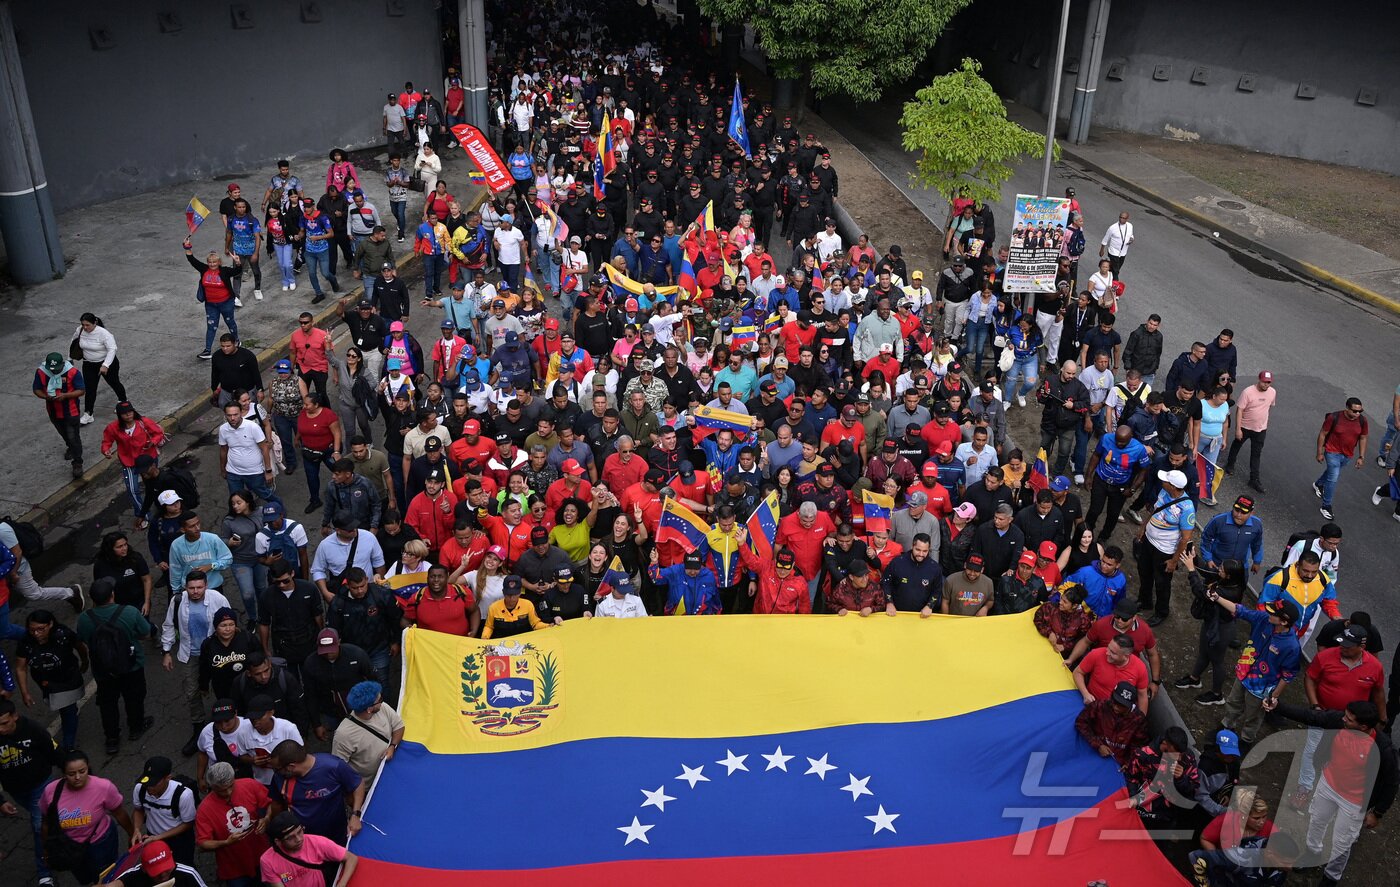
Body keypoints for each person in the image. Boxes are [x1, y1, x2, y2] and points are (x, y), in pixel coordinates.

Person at [1263, 698, 1396, 884]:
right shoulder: (1338, 721)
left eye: (1350, 719)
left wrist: (1378, 813)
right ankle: (1313, 854)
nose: (1344, 720)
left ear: (1364, 727)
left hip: (1354, 802)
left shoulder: (1383, 749)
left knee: (1342, 843)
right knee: (1316, 821)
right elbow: (1311, 716)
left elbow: (1391, 783)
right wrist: (1279, 706)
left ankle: (1331, 876)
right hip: (1328, 785)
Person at [1206, 589, 1301, 746]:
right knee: (1233, 702)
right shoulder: (1265, 619)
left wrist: (1273, 697)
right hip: (1243, 674)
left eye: (1273, 613)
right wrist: (1217, 598)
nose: (1268, 613)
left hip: (1261, 689)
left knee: (1254, 716)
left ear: (1284, 622)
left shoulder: (1292, 647)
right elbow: (1240, 611)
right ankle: (1226, 727)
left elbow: (1288, 675)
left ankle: (1245, 740)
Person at [162, 570, 234, 757]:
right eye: (192, 588)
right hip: (191, 655)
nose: (195, 591)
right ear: (186, 587)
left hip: (216, 653)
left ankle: (228, 724)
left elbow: (229, 621)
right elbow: (169, 625)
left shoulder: (217, 598)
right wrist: (166, 651)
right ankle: (198, 730)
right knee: (192, 692)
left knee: (224, 688)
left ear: (206, 586)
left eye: (199, 587)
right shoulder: (177, 601)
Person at [40, 750, 134, 886]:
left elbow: (119, 813)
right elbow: (45, 823)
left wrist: (132, 834)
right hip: (69, 845)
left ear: (88, 767)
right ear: (63, 774)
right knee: (84, 877)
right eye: (71, 774)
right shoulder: (50, 791)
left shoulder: (104, 787)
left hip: (101, 842)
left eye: (82, 771)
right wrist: (46, 850)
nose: (77, 777)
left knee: (107, 874)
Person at [0, 698, 60, 885]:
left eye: (4, 723)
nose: (0, 729)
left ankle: (45, 874)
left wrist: (74, 769)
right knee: (46, 821)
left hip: (39, 785)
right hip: (17, 791)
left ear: (15, 717)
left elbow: (52, 751)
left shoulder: (32, 729)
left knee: (37, 825)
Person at [1174, 556, 1249, 706]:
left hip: (1221, 629)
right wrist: (1194, 558)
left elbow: (1200, 591)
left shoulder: (1227, 592)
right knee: (1204, 652)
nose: (1218, 570)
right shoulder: (1231, 580)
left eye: (1221, 569)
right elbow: (1210, 571)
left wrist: (1191, 570)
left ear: (1228, 575)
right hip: (1212, 623)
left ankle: (1217, 694)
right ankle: (1194, 678)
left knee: (1216, 661)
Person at [14, 609, 87, 751]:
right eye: (32, 630)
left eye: (41, 629)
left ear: (50, 624)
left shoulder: (63, 635)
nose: (36, 634)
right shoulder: (26, 642)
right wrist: (25, 692)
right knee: (63, 707)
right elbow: (21, 668)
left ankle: (68, 745)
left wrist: (85, 661)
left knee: (68, 711)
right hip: (45, 682)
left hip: (67, 679)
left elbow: (80, 646)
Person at [268, 740, 366, 844]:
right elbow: (276, 804)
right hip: (303, 840)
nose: (276, 773)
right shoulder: (279, 778)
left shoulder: (333, 766)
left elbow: (358, 784)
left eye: (277, 769)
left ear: (291, 767)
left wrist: (355, 815)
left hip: (337, 836)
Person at [195, 760, 271, 887]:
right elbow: (203, 842)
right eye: (222, 790)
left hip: (262, 855)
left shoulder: (250, 784)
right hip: (234, 869)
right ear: (212, 787)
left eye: (231, 786)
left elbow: (269, 803)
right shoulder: (204, 810)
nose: (228, 792)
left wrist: (267, 818)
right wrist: (226, 843)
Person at [1134, 469, 1195, 627]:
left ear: (1173, 487)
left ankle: (1161, 611)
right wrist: (1143, 527)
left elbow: (1185, 538)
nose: (1163, 482)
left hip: (1165, 550)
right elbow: (1155, 511)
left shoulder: (1187, 508)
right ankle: (1144, 600)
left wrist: (1174, 561)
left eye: (1166, 481)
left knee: (1162, 582)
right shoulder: (1163, 492)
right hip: (1149, 540)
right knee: (1144, 570)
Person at [129, 755, 198, 866]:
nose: (149, 788)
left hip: (179, 841)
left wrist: (158, 838)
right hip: (152, 837)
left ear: (168, 778)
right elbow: (138, 810)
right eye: (147, 783)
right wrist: (137, 829)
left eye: (154, 783)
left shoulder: (183, 795)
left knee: (182, 868)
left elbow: (188, 824)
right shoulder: (140, 788)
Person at [259, 810, 359, 887]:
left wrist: (341, 885)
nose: (299, 839)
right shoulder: (267, 861)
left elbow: (351, 858)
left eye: (300, 832)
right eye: (290, 838)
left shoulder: (318, 842)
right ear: (278, 842)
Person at [331, 681, 404, 782]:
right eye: (380, 700)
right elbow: (339, 767)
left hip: (388, 772)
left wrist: (392, 746)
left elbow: (399, 726)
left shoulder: (383, 707)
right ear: (369, 709)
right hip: (366, 786)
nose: (382, 702)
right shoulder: (343, 735)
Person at [182, 239, 240, 359]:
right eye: (210, 262)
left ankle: (236, 342)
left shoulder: (224, 271)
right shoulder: (204, 270)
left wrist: (238, 262)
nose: (212, 264)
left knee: (230, 323)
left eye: (214, 262)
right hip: (211, 304)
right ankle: (207, 350)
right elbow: (192, 260)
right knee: (211, 326)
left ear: (219, 262)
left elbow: (237, 271)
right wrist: (187, 247)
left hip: (226, 303)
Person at [1313, 397, 1368, 521]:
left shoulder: (1362, 421)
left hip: (1347, 454)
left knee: (1332, 472)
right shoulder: (1334, 417)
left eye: (1360, 411)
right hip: (1332, 452)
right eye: (1355, 411)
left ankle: (1318, 484)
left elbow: (1363, 438)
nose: (1357, 414)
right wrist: (1320, 452)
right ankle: (1326, 506)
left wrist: (1361, 456)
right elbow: (1323, 434)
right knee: (1333, 477)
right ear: (1347, 408)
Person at [34, 350, 87, 477]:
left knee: (73, 436)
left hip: (71, 411)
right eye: (52, 369)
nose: (54, 372)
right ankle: (70, 447)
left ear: (62, 365)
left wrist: (66, 395)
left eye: (57, 369)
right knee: (63, 433)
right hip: (53, 411)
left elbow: (81, 390)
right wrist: (46, 397)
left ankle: (77, 462)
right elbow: (36, 389)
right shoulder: (41, 372)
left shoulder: (73, 372)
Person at [1074, 680, 1147, 767]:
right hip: (1093, 755)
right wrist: (1098, 745)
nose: (1116, 707)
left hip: (1118, 765)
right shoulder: (1099, 706)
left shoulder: (1138, 720)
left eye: (1122, 706)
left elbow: (1139, 745)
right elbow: (1080, 722)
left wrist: (1129, 763)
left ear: (1131, 705)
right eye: (1115, 702)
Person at [1225, 371, 1275, 494]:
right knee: (1236, 445)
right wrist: (1238, 429)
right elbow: (1240, 410)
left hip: (1261, 429)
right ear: (1259, 379)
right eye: (1264, 382)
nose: (1266, 385)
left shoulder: (1272, 392)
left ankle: (1254, 479)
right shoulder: (1248, 392)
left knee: (1256, 454)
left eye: (1268, 382)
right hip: (1245, 427)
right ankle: (1230, 464)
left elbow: (1269, 407)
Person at [71, 313, 126, 425]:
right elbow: (73, 342)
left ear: (94, 323)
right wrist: (69, 358)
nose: (85, 327)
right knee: (90, 389)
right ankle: (88, 414)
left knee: (114, 383)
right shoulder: (80, 330)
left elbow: (112, 349)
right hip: (88, 364)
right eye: (83, 325)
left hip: (107, 363)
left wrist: (105, 365)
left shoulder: (104, 334)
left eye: (88, 325)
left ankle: (123, 401)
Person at [1073, 634, 1149, 713]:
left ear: (1126, 656)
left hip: (1118, 714)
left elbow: (1142, 696)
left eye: (1113, 653)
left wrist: (1140, 719)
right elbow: (1078, 672)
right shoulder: (1096, 654)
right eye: (1108, 648)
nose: (1107, 653)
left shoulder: (1140, 668)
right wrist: (1085, 694)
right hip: (1092, 705)